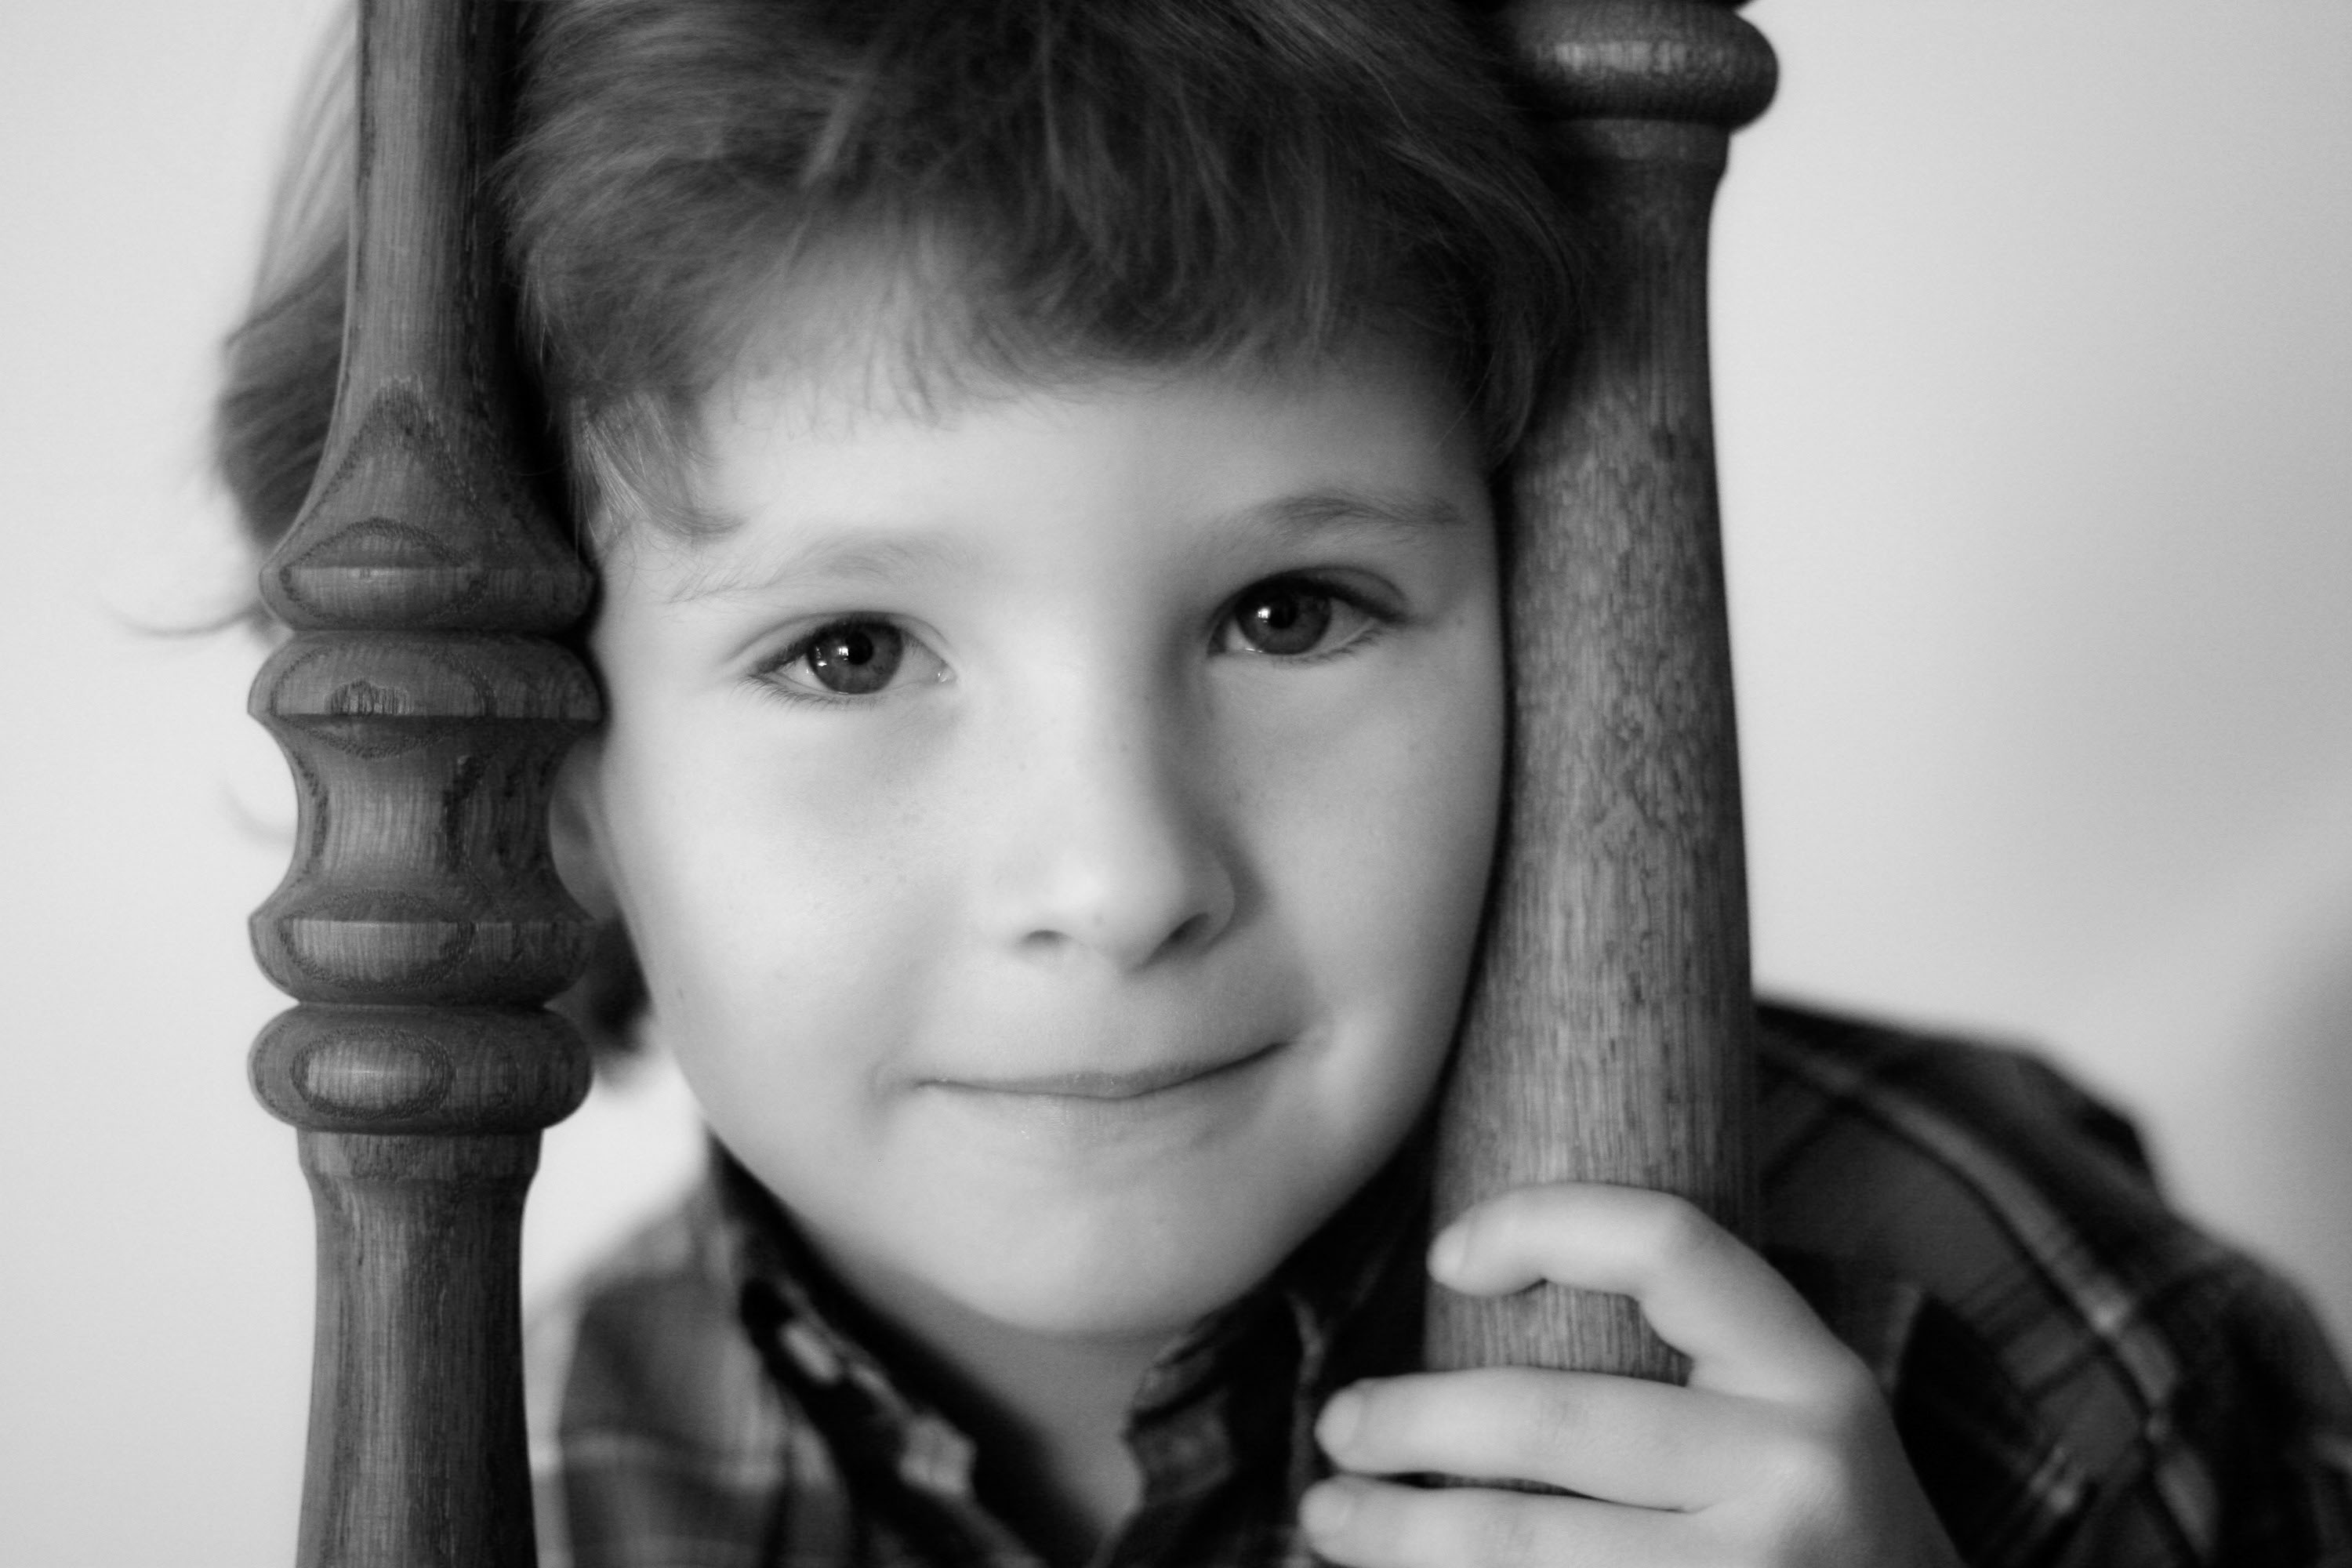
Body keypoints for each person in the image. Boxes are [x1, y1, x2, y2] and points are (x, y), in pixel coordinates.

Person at [215, 1, 2352, 1563]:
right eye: (848, 651)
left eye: (1291, 612)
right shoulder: (543, 1458)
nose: (1122, 877)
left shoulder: (2018, 1327)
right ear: (547, 779)